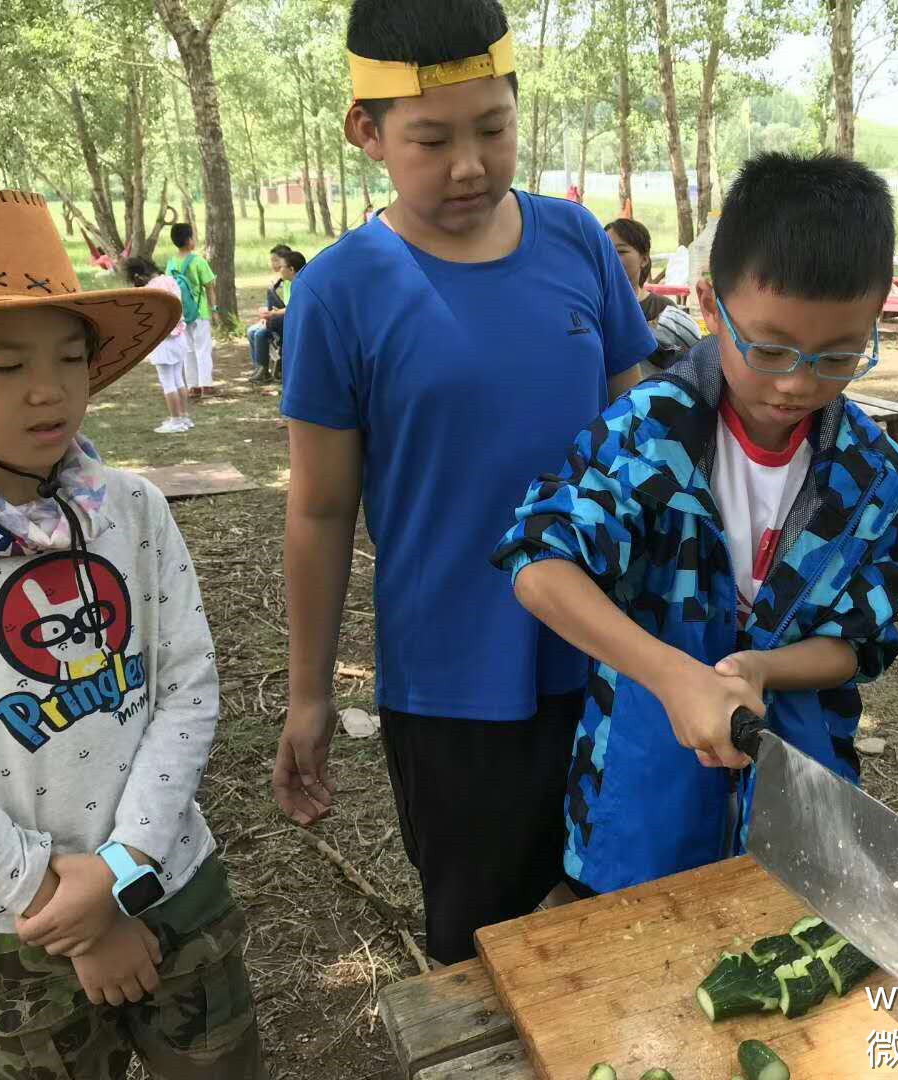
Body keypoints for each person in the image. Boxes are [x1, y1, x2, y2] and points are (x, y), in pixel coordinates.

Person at [270, 0, 657, 964]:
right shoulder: (339, 291)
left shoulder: (577, 246)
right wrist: (308, 694)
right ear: (367, 131)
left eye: (493, 128)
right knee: (482, 938)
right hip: (452, 679)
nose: (470, 165)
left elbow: (644, 441)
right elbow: (319, 512)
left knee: (622, 915)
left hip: (610, 655)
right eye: (431, 139)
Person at [0, 190, 263, 1077]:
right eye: (4, 364)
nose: (50, 389)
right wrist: (70, 905)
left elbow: (186, 689)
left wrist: (123, 874)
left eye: (69, 356)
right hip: (12, 928)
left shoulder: (131, 510)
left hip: (173, 883)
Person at [493, 152, 898, 895]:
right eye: (771, 347)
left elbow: (861, 640)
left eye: (840, 355)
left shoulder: (873, 474)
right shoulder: (649, 434)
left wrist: (761, 669)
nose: (796, 382)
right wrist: (672, 675)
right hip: (642, 791)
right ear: (710, 307)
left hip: (801, 785)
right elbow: (539, 562)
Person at [605, 218, 703, 367]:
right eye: (606, 250)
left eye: (621, 251)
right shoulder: (594, 307)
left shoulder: (664, 310)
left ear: (644, 259)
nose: (611, 257)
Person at [125, 256, 193, 433]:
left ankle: (176, 420)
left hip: (162, 340)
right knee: (179, 379)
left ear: (138, 277)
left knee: (167, 382)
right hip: (179, 335)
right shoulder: (170, 280)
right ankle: (184, 416)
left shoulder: (148, 291)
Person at [166, 223, 217, 399]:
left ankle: (193, 386)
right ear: (189, 241)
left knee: (187, 350)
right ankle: (206, 384)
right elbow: (210, 286)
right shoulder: (198, 261)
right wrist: (214, 309)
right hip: (199, 311)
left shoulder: (171, 263)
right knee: (203, 347)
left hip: (180, 313)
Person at [247, 246, 298, 384]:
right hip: (279, 317)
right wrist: (266, 314)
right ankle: (259, 367)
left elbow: (292, 307)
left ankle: (263, 370)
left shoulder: (295, 282)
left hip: (288, 320)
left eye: (277, 262)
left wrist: (272, 314)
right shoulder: (279, 282)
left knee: (260, 334)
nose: (275, 265)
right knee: (251, 331)